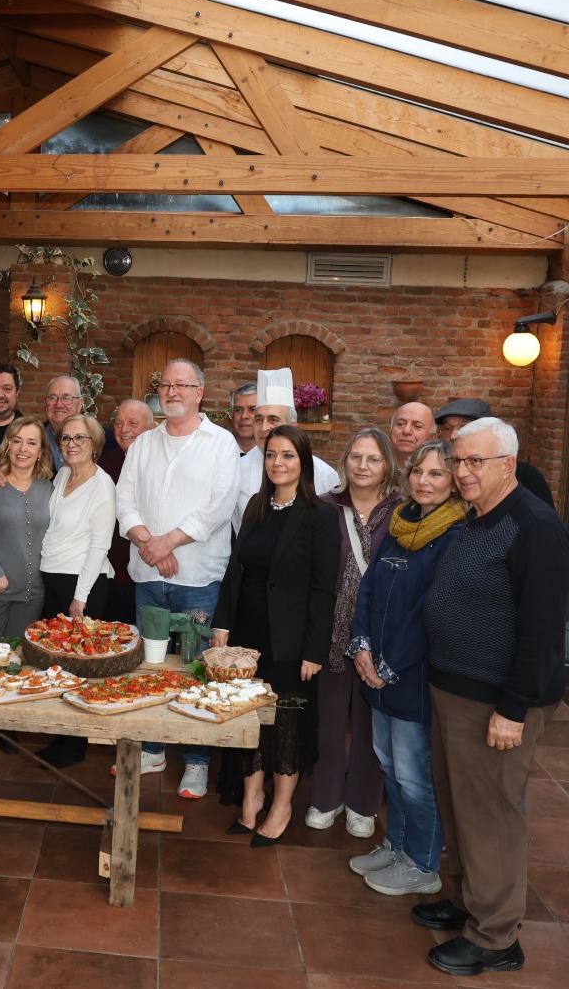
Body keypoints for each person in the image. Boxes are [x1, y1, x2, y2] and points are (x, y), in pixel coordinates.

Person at [414, 417, 569, 977]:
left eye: (472, 462)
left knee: (493, 817)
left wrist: (513, 708)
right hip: (456, 688)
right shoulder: (478, 516)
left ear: (507, 464)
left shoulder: (534, 526)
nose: (461, 472)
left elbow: (543, 630)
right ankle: (467, 903)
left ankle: (496, 936)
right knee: (461, 808)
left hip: (497, 700)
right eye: (457, 461)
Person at [211, 424, 341, 845]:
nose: (278, 463)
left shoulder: (320, 515)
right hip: (248, 632)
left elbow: (325, 589)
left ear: (303, 462)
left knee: (286, 720)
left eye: (287, 455)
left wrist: (314, 649)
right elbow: (236, 570)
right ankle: (251, 799)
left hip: (292, 638)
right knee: (250, 715)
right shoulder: (255, 506)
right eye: (271, 455)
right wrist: (223, 624)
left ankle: (281, 806)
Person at [116, 358, 239, 799]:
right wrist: (150, 543)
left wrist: (166, 542)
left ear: (199, 392)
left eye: (181, 385)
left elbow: (218, 507)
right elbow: (124, 500)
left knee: (193, 667)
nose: (171, 392)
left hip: (198, 581)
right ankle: (152, 748)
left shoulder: (221, 444)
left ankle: (197, 760)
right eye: (165, 385)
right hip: (149, 575)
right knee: (150, 663)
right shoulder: (145, 443)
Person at [348, 437, 465, 897]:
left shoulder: (454, 535)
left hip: (411, 676)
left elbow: (431, 612)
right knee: (388, 765)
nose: (424, 481)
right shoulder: (400, 523)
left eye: (436, 473)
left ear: (455, 481)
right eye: (418, 471)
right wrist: (360, 645)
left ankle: (422, 862)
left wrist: (388, 664)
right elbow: (368, 588)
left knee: (415, 776)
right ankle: (395, 845)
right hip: (374, 668)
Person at [308, 428, 399, 838]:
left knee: (370, 725)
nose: (363, 466)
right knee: (327, 721)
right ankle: (325, 797)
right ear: (344, 462)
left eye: (373, 459)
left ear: (387, 467)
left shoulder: (403, 512)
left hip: (380, 635)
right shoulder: (323, 507)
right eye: (356, 457)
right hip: (329, 631)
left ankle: (362, 804)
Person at [37, 413, 116, 768]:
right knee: (59, 664)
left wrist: (80, 597)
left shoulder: (102, 485)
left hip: (83, 586)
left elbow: (99, 546)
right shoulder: (64, 474)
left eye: (80, 438)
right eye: (66, 438)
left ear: (95, 445)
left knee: (79, 667)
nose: (71, 444)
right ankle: (61, 737)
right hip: (55, 580)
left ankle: (74, 745)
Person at [233, 368, 340, 535]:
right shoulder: (236, 468)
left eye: (273, 420)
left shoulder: (324, 474)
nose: (263, 427)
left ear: (293, 426)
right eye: (259, 419)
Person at [0, 416, 54, 640]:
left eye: (32, 443)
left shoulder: (48, 488)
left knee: (21, 663)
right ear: (8, 446)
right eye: (17, 441)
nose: (23, 449)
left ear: (41, 451)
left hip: (33, 596)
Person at [432, 398, 554, 508]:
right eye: (447, 428)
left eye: (464, 427)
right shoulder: (434, 470)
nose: (454, 436)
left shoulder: (526, 476)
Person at [98, 399, 154, 624]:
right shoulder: (108, 461)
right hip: (114, 575)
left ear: (151, 428)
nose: (124, 430)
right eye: (119, 423)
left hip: (151, 573)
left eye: (133, 423)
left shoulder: (160, 462)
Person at [389, 402, 435, 488]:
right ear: (391, 430)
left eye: (417, 426)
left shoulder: (439, 474)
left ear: (433, 437)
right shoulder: (375, 467)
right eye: (400, 424)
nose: (406, 431)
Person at [230, 381, 260, 454]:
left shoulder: (272, 456)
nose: (244, 416)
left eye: (252, 409)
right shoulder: (219, 449)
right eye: (238, 410)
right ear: (232, 415)